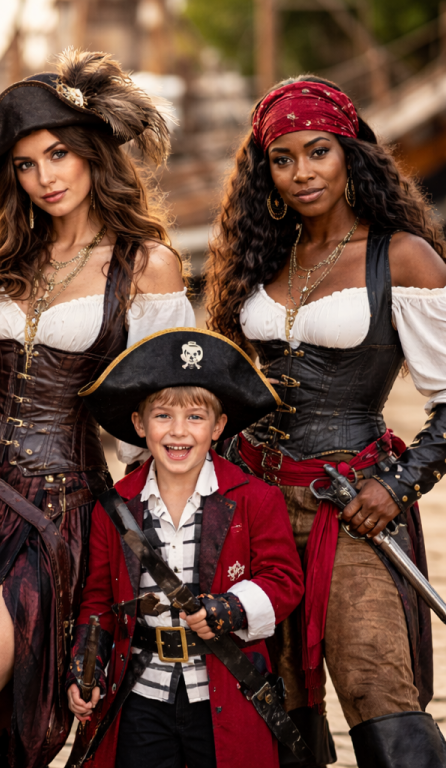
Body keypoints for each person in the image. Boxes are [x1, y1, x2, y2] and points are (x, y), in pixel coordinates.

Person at [0, 50, 195, 768]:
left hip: (57, 512)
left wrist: (168, 535)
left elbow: (167, 419)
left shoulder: (146, 265)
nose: (46, 178)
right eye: (27, 164)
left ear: (94, 153)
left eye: (59, 154)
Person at [205, 76, 446, 768]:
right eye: (283, 159)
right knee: (266, 696)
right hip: (252, 501)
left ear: (350, 154)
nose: (302, 173)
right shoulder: (260, 254)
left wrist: (397, 487)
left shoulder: (401, 256)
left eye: (318, 152)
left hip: (352, 505)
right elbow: (232, 385)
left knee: (379, 687)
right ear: (265, 170)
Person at [64, 328, 304, 768]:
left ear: (218, 426)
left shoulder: (255, 498)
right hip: (139, 696)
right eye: (162, 417)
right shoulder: (114, 508)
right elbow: (98, 600)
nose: (179, 432)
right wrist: (87, 667)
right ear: (139, 425)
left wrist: (227, 609)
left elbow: (284, 581)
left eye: (195, 417)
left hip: (227, 692)